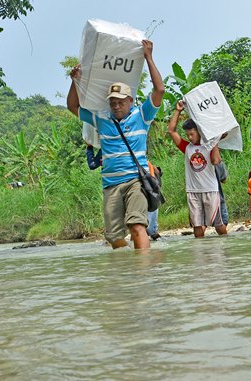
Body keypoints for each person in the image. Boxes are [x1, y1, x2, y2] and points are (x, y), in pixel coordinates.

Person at [67, 39, 164, 250]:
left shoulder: (142, 115)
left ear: (130, 100)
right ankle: (126, 269)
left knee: (137, 225)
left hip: (135, 180)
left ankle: (143, 273)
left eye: (121, 102)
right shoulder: (101, 119)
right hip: (110, 185)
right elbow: (72, 106)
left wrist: (148, 57)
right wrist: (75, 81)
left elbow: (159, 90)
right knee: (113, 236)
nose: (117, 106)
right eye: (113, 102)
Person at [167, 100, 227, 238]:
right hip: (193, 192)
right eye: (187, 135)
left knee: (218, 225)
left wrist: (215, 141)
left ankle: (225, 246)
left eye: (191, 134)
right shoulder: (187, 147)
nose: (189, 137)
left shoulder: (209, 145)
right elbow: (171, 130)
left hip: (210, 190)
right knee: (197, 226)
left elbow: (216, 161)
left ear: (199, 131)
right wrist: (178, 110)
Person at [215, 160, 229, 226]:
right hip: (217, 195)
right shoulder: (219, 162)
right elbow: (224, 180)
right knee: (223, 221)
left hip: (199, 194)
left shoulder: (197, 162)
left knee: (201, 223)